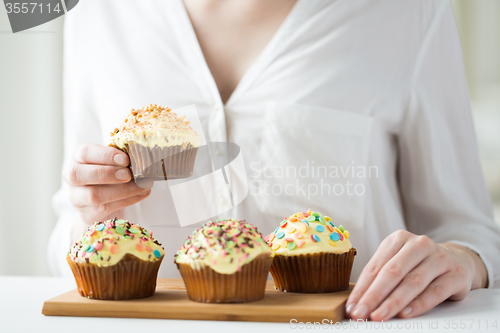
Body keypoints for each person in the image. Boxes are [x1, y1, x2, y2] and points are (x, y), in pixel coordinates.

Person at [49, 0, 500, 322]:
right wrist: (87, 211)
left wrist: (461, 259)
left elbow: (471, 232)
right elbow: (64, 239)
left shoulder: (409, 11)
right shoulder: (93, 12)